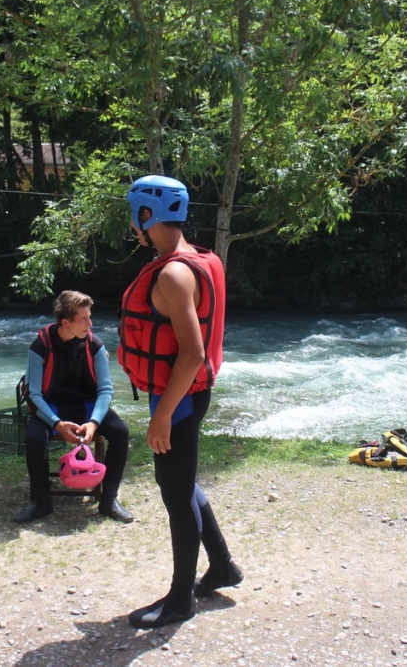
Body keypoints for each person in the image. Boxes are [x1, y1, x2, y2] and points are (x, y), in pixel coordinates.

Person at [118, 174, 242, 630]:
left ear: (146, 215)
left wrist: (163, 416)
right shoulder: (202, 259)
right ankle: (223, 566)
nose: (134, 223)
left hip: (179, 396)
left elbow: (190, 354)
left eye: (135, 214)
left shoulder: (172, 272)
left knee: (174, 491)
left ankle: (179, 600)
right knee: (184, 482)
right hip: (192, 391)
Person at [13, 290, 134, 524]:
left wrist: (94, 422)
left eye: (90, 316)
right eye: (84, 318)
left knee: (120, 432)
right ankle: (42, 503)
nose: (91, 323)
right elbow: (33, 393)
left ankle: (109, 500)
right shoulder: (40, 346)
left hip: (85, 406)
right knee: (35, 439)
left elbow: (105, 390)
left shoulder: (94, 344)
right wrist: (57, 423)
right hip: (51, 408)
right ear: (65, 322)